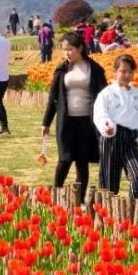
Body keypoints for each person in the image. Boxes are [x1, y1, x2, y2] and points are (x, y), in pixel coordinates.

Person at [41, 31, 107, 205]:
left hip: (87, 122)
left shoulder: (94, 68)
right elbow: (53, 98)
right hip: (66, 121)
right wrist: (46, 122)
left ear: (80, 48)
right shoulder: (62, 69)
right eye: (64, 49)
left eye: (70, 49)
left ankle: (80, 200)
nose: (67, 53)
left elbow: (104, 95)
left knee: (82, 161)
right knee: (65, 158)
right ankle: (56, 194)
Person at [92, 54, 138, 199]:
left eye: (130, 72)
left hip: (130, 139)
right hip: (111, 139)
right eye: (123, 71)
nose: (127, 75)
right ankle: (107, 209)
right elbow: (100, 113)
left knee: (137, 172)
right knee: (109, 181)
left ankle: (136, 206)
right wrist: (107, 127)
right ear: (114, 72)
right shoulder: (106, 94)